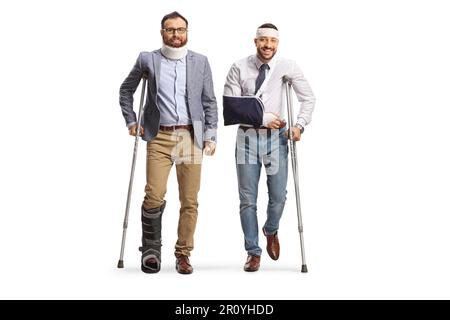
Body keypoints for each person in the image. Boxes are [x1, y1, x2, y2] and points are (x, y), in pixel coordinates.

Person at [119, 11, 218, 274]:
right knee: (154, 194)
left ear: (187, 31)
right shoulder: (147, 59)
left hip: (190, 136)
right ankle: (151, 250)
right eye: (170, 29)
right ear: (162, 32)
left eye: (181, 29)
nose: (176, 34)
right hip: (159, 135)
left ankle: (183, 254)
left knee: (189, 200)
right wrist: (131, 121)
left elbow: (209, 101)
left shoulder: (201, 61)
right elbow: (126, 90)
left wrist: (210, 135)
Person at [223, 23, 315, 272]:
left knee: (278, 196)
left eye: (272, 41)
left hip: (277, 139)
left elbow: (308, 98)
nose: (268, 45)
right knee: (247, 200)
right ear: (255, 41)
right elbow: (232, 108)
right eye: (263, 40)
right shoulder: (239, 67)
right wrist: (261, 117)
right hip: (246, 139)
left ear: (278, 43)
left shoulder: (288, 66)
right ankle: (253, 252)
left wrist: (299, 125)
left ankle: (270, 229)